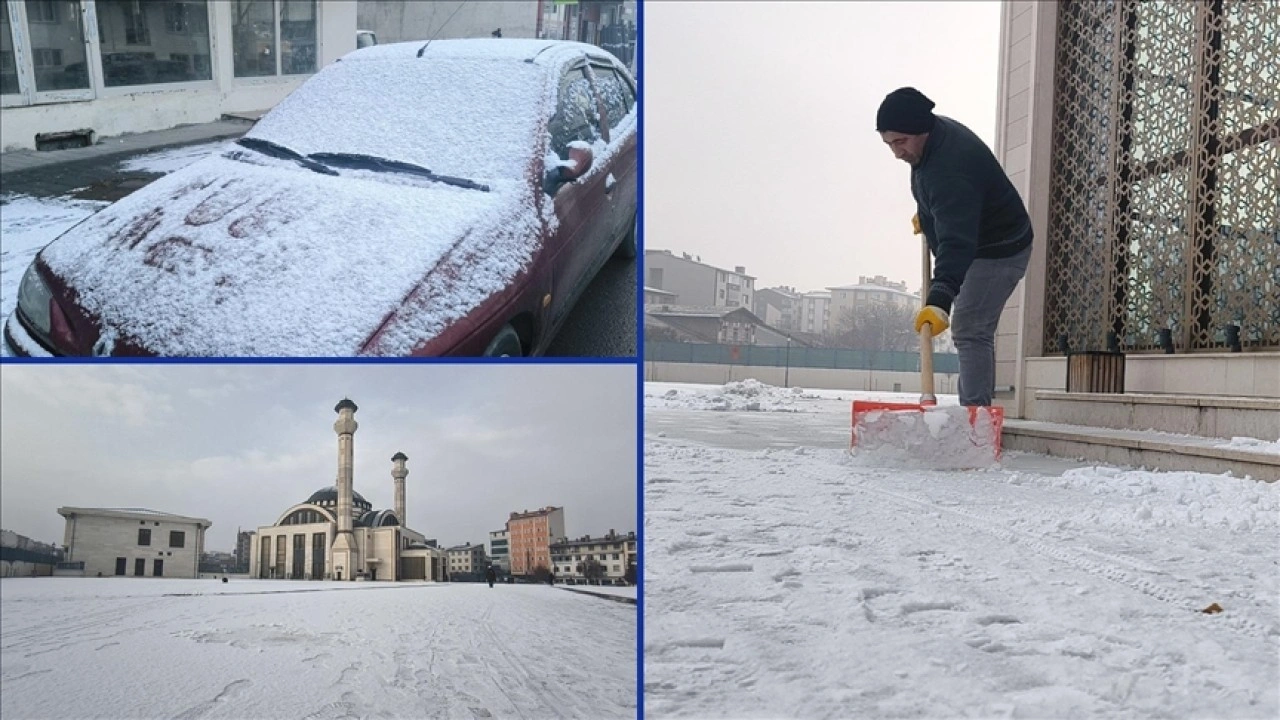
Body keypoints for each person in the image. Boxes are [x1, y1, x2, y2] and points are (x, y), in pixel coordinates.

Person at [876, 87, 1034, 407]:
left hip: (999, 247)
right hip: (975, 236)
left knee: (971, 328)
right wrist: (928, 213)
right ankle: (976, 415)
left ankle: (975, 421)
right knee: (972, 328)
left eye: (900, 142)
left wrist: (939, 298)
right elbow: (933, 191)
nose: (896, 152)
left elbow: (957, 242)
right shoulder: (929, 141)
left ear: (922, 129)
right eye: (889, 144)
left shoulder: (950, 165)